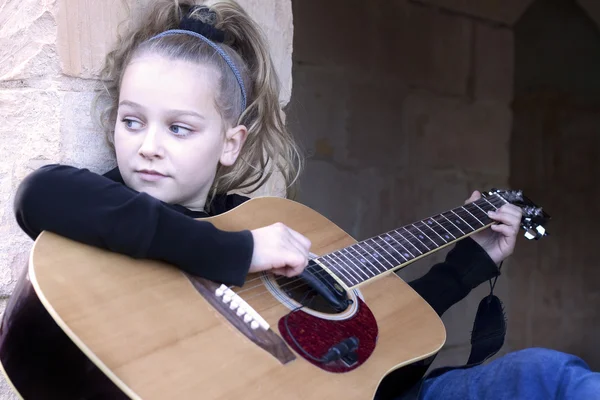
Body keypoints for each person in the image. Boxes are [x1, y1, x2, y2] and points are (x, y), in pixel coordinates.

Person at [12, 1, 598, 399]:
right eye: (132, 121)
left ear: (230, 142)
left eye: (180, 128)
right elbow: (40, 193)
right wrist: (235, 253)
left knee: (549, 377)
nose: (149, 147)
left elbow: (375, 341)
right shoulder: (111, 206)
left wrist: (473, 264)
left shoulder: (266, 223)